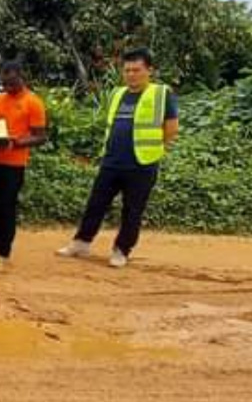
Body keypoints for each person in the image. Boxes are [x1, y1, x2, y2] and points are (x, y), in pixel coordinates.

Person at [57, 48, 179, 268]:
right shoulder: (117, 94)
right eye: (127, 70)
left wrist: (158, 149)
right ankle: (81, 242)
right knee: (96, 204)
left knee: (132, 210)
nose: (131, 74)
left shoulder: (161, 93)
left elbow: (171, 127)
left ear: (149, 70)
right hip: (112, 161)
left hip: (142, 163)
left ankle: (121, 250)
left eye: (137, 70)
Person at [0, 61, 48, 271]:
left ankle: (4, 253)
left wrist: (16, 142)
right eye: (4, 83)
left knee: (6, 208)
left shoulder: (33, 102)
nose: (7, 87)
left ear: (21, 76)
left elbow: (40, 136)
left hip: (13, 164)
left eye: (11, 83)